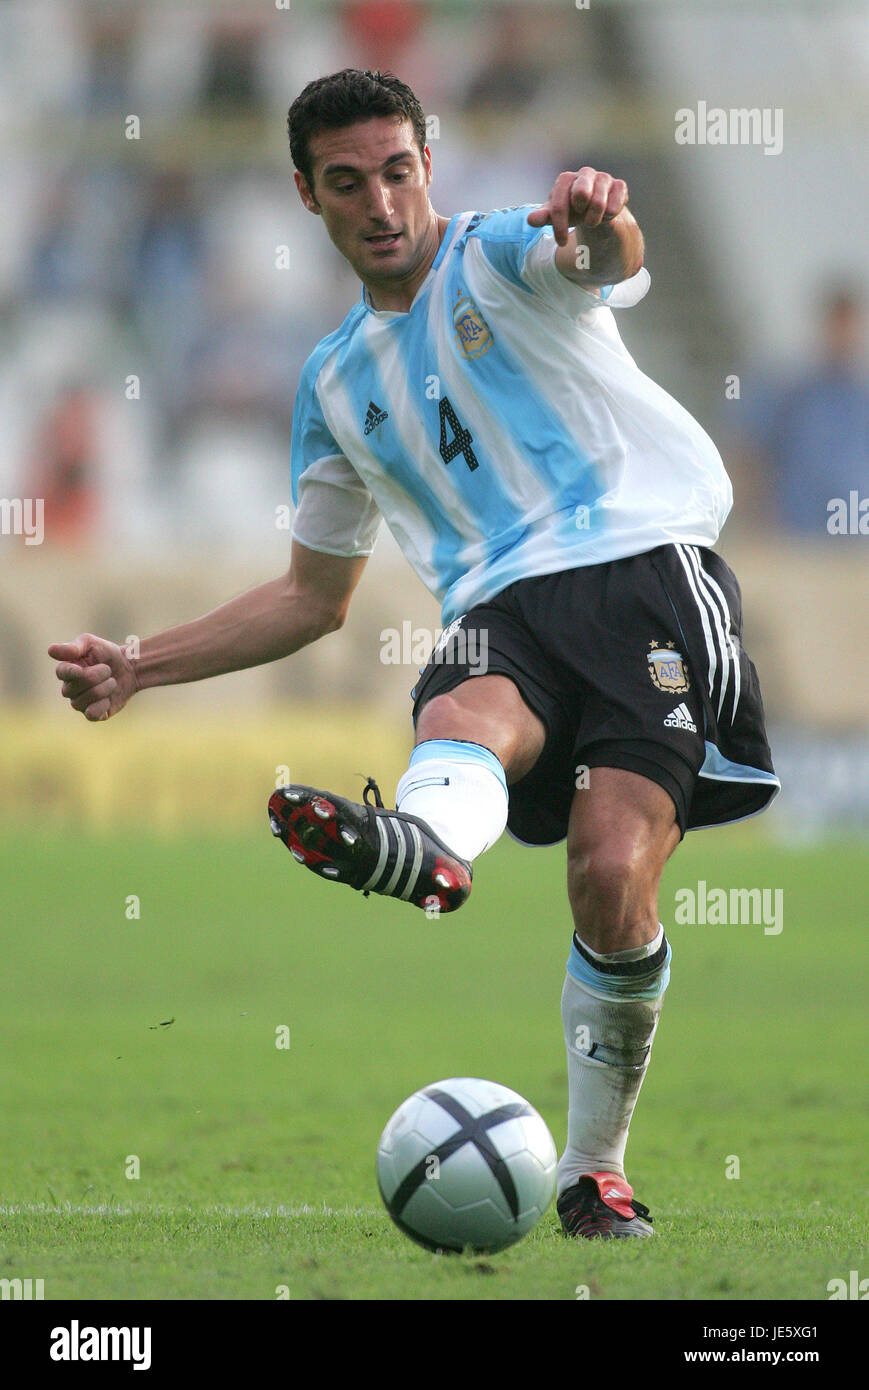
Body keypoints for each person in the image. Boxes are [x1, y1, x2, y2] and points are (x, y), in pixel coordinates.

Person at [49, 68, 779, 1241]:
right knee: (459, 705)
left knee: (605, 874)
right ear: (306, 195)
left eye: (397, 172)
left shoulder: (498, 252)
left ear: (426, 165)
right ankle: (425, 845)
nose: (380, 203)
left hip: (644, 567)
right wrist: (141, 664)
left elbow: (600, 263)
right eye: (348, 183)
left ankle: (594, 1169)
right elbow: (309, 597)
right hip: (497, 603)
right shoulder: (334, 384)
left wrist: (601, 215)